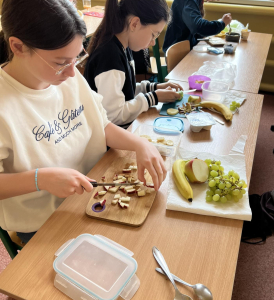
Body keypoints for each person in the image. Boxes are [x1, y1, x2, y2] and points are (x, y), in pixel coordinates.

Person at [0, 0, 167, 243]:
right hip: (47, 221)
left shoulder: (66, 75)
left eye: (76, 58)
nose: (72, 72)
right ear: (17, 46)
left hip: (97, 193)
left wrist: (139, 144)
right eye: (60, 62)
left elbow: (100, 123)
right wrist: (41, 179)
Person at [84, 0, 183, 129]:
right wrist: (153, 98)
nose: (153, 43)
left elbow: (124, 89)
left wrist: (154, 87)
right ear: (134, 23)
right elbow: (113, 116)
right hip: (107, 144)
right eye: (153, 35)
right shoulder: (109, 57)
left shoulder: (123, 46)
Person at [163, 0, 232, 53]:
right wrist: (222, 24)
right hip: (177, 53)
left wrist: (202, 35)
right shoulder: (190, 1)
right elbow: (197, 26)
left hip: (184, 48)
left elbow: (189, 27)